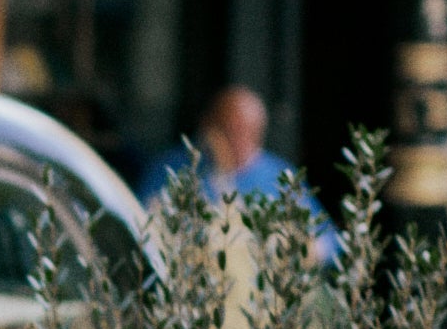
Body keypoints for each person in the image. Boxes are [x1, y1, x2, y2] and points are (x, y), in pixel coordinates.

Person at [139, 85, 337, 251]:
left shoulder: (279, 175)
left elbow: (326, 241)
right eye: (229, 131)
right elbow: (143, 226)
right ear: (207, 125)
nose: (238, 142)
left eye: (248, 133)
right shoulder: (171, 168)